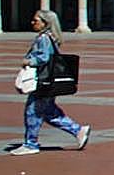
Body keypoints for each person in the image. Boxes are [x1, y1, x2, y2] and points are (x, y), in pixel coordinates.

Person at [10, 10, 90, 156]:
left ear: (45, 23)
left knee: (32, 112)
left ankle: (30, 144)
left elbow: (44, 58)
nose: (32, 23)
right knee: (49, 112)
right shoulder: (50, 37)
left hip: (43, 81)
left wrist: (29, 61)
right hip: (49, 81)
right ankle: (78, 130)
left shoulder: (43, 38)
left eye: (36, 20)